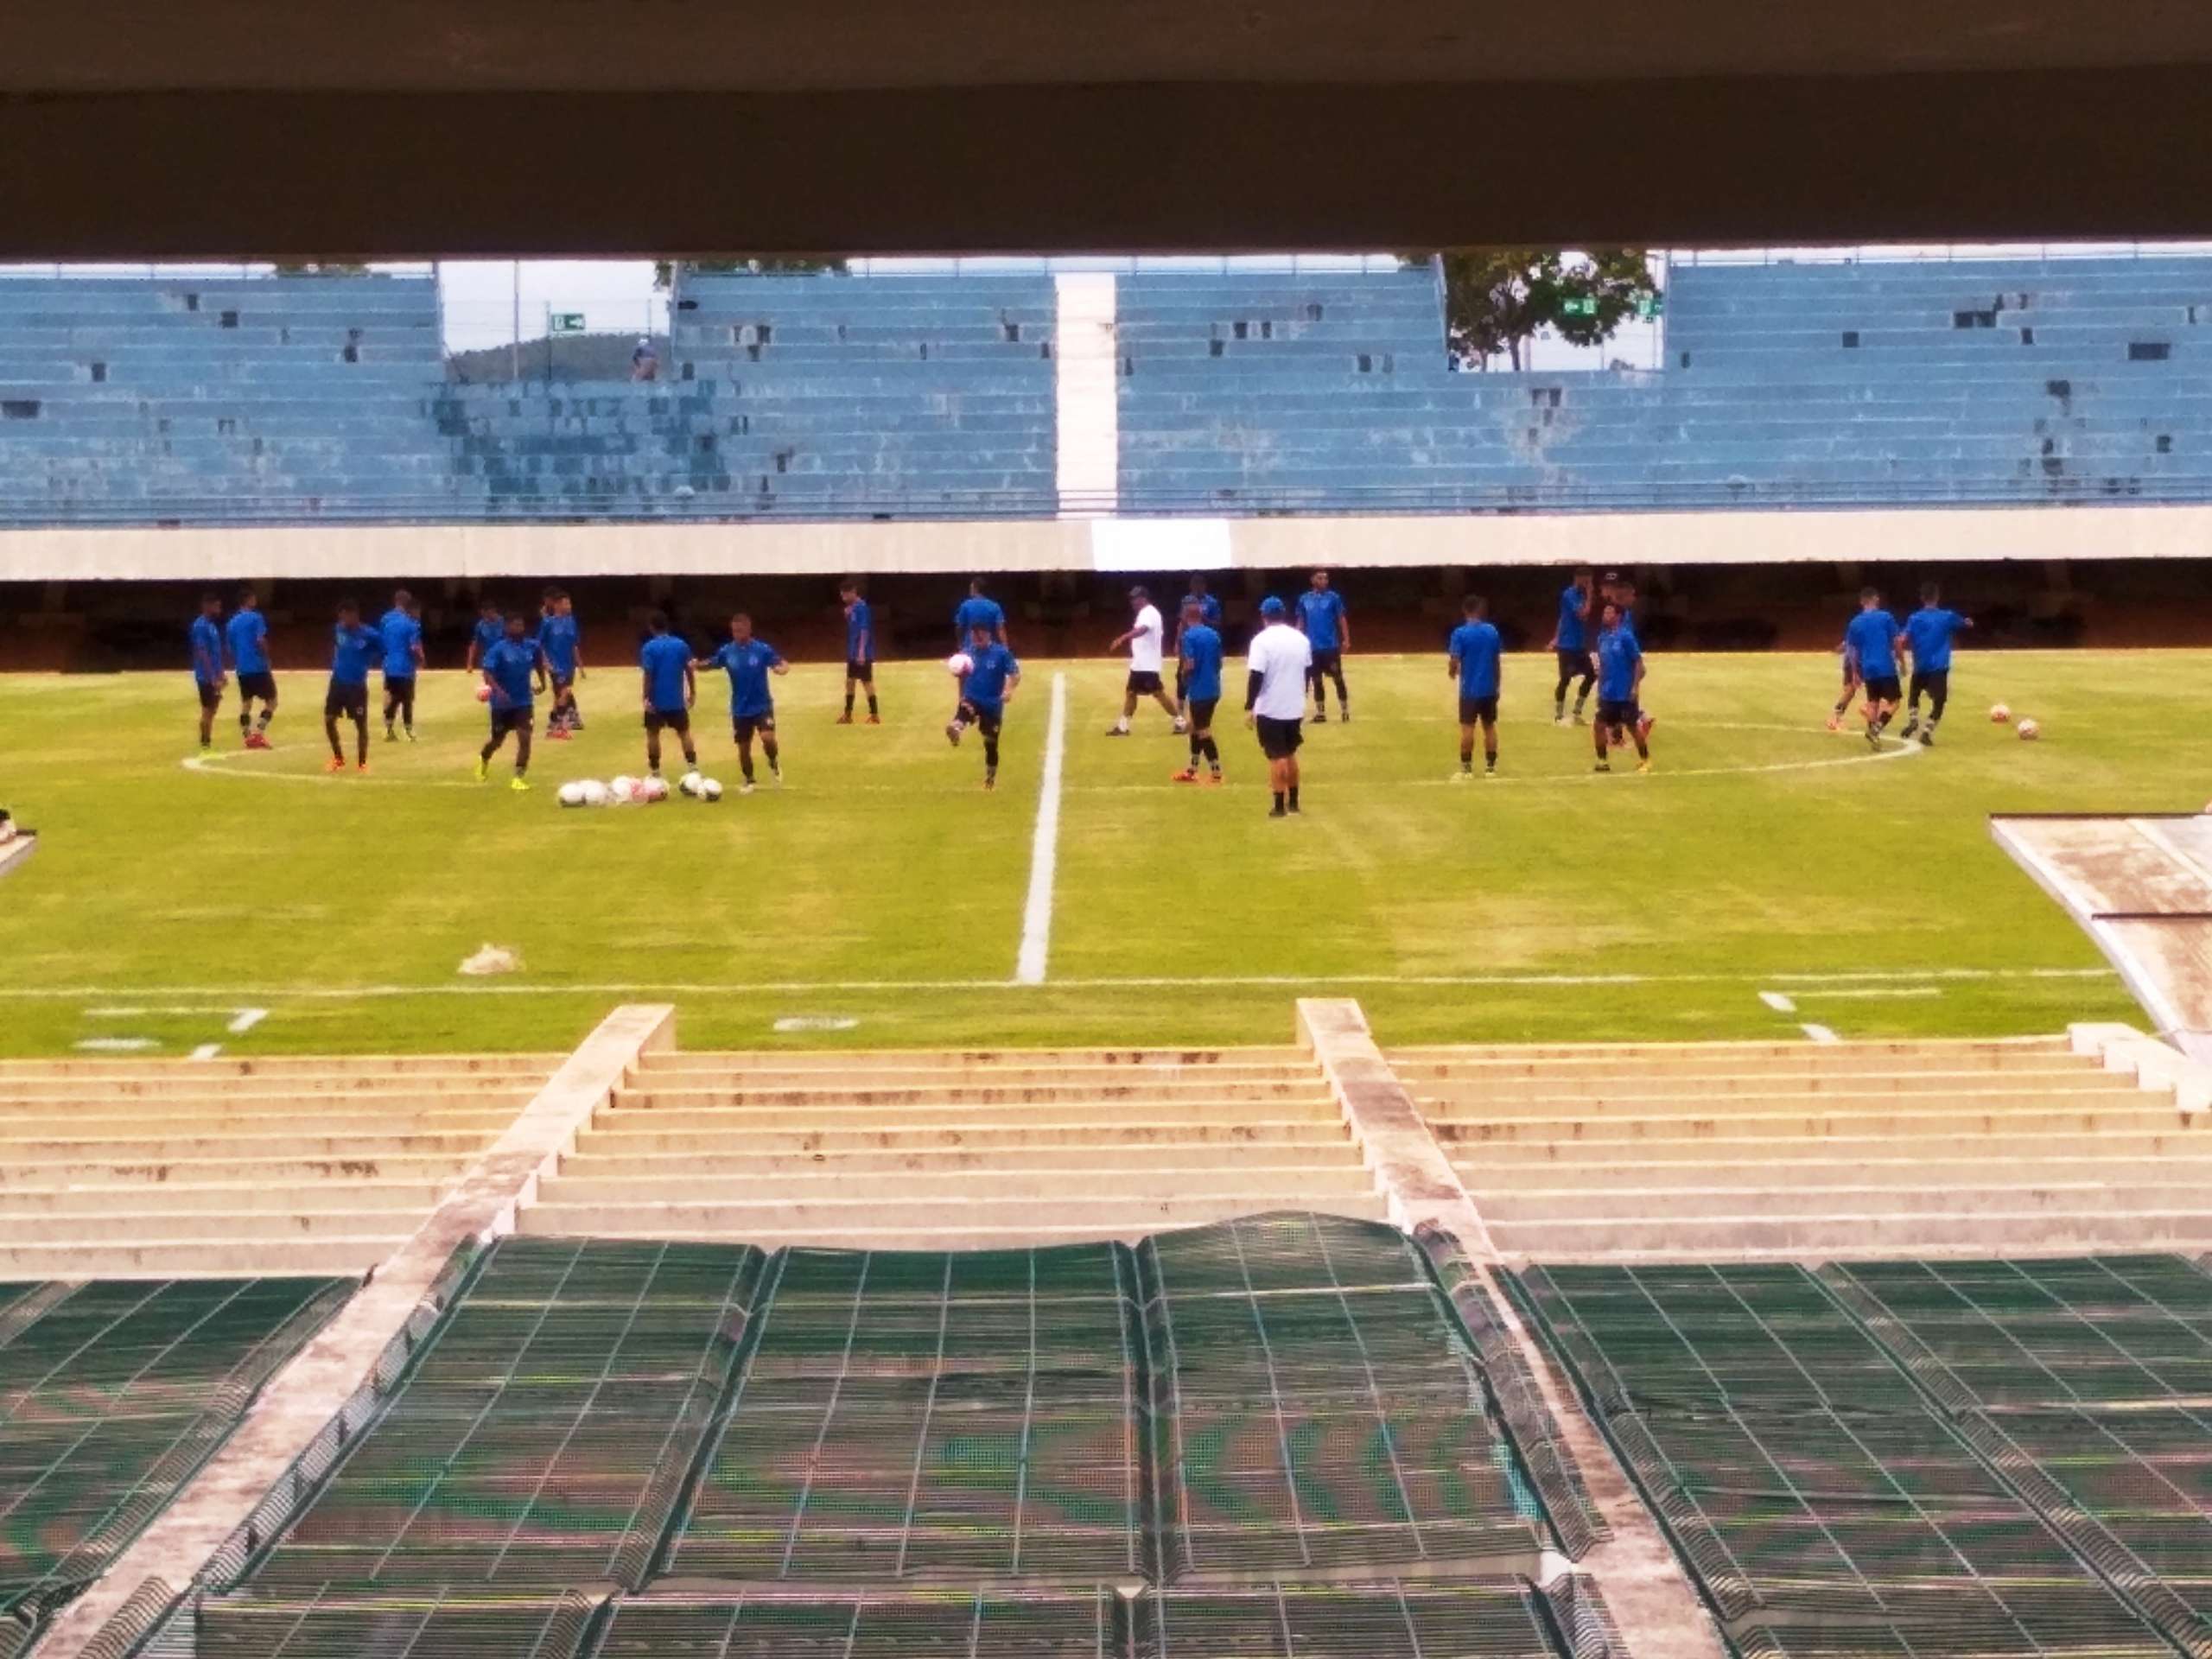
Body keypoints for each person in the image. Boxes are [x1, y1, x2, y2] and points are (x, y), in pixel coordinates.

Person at [701, 613, 789, 793]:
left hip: (762, 704)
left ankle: (773, 761)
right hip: (740, 708)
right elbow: (713, 663)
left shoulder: (762, 649)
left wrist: (782, 668)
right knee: (743, 748)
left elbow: (780, 663)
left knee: (767, 737)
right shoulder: (727, 651)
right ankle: (749, 779)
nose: (737, 634)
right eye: (734, 631)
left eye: (740, 630)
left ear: (749, 629)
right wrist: (697, 665)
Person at [1245, 595, 1313, 817]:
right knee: (1291, 753)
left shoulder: (1261, 641)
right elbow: (1307, 672)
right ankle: (1294, 802)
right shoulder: (1301, 639)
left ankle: (1279, 805)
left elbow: (1256, 675)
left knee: (1276, 756)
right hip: (1294, 705)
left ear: (1264, 616)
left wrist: (1249, 706)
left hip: (1271, 706)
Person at [475, 613, 548, 791]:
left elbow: (539, 661)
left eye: (521, 625)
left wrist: (543, 682)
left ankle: (518, 778)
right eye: (515, 625)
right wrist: (499, 691)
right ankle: (484, 759)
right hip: (502, 705)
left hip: (524, 702)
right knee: (497, 741)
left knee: (525, 738)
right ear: (506, 628)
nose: (519, 629)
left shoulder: (531, 646)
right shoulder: (498, 649)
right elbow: (487, 672)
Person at [946, 622, 1020, 791]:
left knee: (990, 743)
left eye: (981, 635)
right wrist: (961, 692)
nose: (977, 638)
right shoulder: (968, 653)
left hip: (993, 704)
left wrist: (1008, 690)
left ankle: (990, 778)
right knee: (964, 712)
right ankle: (956, 728)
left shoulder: (1001, 653)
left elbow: (1015, 674)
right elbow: (961, 674)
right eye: (974, 635)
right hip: (972, 698)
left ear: (988, 635)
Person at [1900, 582, 1974, 747]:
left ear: (1922, 598)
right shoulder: (1947, 616)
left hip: (1920, 666)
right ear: (1937, 597)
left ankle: (1913, 719)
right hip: (1939, 667)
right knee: (1939, 701)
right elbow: (1964, 623)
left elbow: (1903, 638)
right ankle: (1926, 732)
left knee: (1914, 694)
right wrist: (1968, 622)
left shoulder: (1914, 618)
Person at [1107, 585, 1185, 736]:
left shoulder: (1147, 613)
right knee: (1132, 692)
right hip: (1142, 664)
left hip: (1146, 664)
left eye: (1135, 599)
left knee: (1157, 693)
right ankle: (1123, 726)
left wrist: (1124, 637)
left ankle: (1180, 722)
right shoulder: (1150, 612)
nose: (1132, 602)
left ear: (1143, 598)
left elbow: (1143, 629)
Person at [1843, 587, 1907, 749]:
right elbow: (1897, 641)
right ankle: (1876, 730)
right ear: (1876, 599)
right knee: (1895, 702)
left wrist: (1856, 672)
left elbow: (1852, 650)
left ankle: (1874, 739)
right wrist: (1902, 662)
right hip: (1885, 665)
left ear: (1861, 602)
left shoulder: (1855, 622)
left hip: (1868, 667)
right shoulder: (1885, 617)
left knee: (1873, 702)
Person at [1448, 594, 1503, 780]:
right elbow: (1496, 662)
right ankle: (1490, 767)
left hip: (1469, 690)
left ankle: (1467, 768)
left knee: (1468, 728)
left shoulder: (1460, 633)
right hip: (1489, 688)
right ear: (1480, 610)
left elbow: (1454, 660)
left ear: (1465, 611)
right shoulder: (1492, 631)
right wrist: (1497, 685)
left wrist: (1452, 671)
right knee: (1489, 727)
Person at [1592, 601, 1651, 774]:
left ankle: (1645, 759)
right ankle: (1602, 761)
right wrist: (1600, 688)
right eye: (1605, 613)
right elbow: (1603, 665)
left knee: (1632, 726)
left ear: (1618, 616)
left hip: (1624, 693)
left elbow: (1638, 663)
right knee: (1598, 725)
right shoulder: (1602, 637)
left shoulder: (1626, 636)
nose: (1605, 616)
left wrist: (1634, 687)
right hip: (1608, 693)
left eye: (1609, 613)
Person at [1172, 597, 1225, 785]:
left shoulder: (1189, 637)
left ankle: (1216, 771)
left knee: (1202, 730)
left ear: (1186, 617)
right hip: (1213, 688)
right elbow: (1219, 663)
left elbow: (1190, 663)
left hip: (1199, 690)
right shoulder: (1213, 635)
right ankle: (1193, 769)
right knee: (1194, 728)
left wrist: (1184, 676)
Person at [323, 600, 381, 773]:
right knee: (329, 719)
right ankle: (338, 758)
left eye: (345, 616)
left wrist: (368, 661)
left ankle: (362, 763)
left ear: (354, 615)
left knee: (360, 725)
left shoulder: (370, 634)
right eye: (340, 617)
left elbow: (382, 650)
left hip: (356, 686)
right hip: (338, 683)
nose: (343, 620)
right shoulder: (338, 629)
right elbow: (337, 646)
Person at [639, 612, 698, 779]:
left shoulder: (649, 648)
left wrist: (646, 697)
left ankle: (655, 770)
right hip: (676, 700)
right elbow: (689, 670)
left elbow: (648, 674)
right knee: (684, 733)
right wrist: (692, 692)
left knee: (652, 734)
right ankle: (693, 767)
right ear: (667, 626)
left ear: (651, 627)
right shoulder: (681, 645)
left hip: (657, 700)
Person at [226, 587, 276, 749]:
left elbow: (230, 648)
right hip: (258, 666)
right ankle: (258, 734)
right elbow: (260, 640)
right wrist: (266, 657)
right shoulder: (256, 618)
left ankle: (247, 736)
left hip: (242, 668)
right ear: (249, 600)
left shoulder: (231, 623)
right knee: (272, 701)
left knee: (246, 703)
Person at [1296, 569, 1350, 721]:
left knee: (1338, 678)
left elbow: (1341, 619)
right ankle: (1321, 713)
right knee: (1316, 679)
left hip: (1330, 646)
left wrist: (1346, 639)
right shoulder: (1304, 599)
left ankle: (1344, 710)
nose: (1324, 581)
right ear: (1312, 579)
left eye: (1326, 578)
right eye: (1320, 578)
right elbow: (1301, 621)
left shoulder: (1334, 598)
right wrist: (1297, 639)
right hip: (1312, 648)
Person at [1548, 569, 1596, 725]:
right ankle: (1559, 715)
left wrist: (1555, 636)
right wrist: (1590, 595)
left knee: (1591, 675)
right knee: (1565, 679)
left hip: (1579, 644)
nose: (1588, 584)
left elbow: (1563, 617)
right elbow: (1583, 614)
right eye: (1586, 580)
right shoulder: (1569, 594)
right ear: (1578, 578)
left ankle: (1577, 712)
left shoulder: (1581, 594)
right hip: (1568, 645)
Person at [378, 589, 424, 742]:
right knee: (406, 699)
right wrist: (421, 659)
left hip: (389, 665)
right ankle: (408, 730)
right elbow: (414, 647)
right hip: (405, 667)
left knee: (392, 696)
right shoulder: (412, 624)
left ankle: (388, 728)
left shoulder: (386, 619)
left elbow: (382, 643)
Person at [1173, 575, 1224, 716]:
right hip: (1188, 641)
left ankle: (1202, 709)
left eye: (1198, 585)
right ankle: (1181, 713)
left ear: (1204, 586)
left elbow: (1217, 623)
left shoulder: (1211, 602)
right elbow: (1182, 622)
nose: (1196, 588)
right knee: (1181, 675)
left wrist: (1200, 618)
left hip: (1205, 641)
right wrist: (1177, 642)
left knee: (1204, 671)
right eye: (1193, 586)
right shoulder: (1187, 600)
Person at [537, 588, 583, 737]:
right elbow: (540, 644)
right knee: (564, 693)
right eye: (566, 603)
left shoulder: (571, 621)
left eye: (569, 603)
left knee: (560, 695)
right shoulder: (548, 623)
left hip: (569, 665)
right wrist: (545, 662)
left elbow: (574, 644)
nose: (569, 606)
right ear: (557, 605)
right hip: (555, 665)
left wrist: (580, 665)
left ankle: (554, 723)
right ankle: (561, 726)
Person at [837, 577, 879, 724]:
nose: (843, 598)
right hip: (852, 651)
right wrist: (847, 616)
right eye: (842, 595)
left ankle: (874, 715)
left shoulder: (862, 608)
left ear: (853, 592)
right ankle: (848, 714)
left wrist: (861, 651)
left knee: (867, 682)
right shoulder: (853, 609)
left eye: (845, 595)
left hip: (862, 652)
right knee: (850, 681)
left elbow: (864, 630)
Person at [189, 594, 226, 752]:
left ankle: (207, 744)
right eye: (216, 605)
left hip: (214, 675)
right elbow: (202, 652)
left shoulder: (211, 626)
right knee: (207, 710)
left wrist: (221, 674)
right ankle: (205, 746)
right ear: (207, 605)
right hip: (206, 677)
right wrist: (212, 677)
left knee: (212, 709)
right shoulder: (200, 626)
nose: (219, 608)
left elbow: (215, 652)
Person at [1826, 631, 1863, 734]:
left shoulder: (1857, 628)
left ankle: (1836, 718)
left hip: (1850, 662)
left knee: (1849, 691)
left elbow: (1845, 645)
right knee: (1850, 691)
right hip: (1854, 662)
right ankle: (1834, 718)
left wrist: (1840, 648)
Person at [464, 598, 504, 676]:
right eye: (483, 614)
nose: (484, 616)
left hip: (503, 657)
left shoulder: (504, 622)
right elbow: (474, 645)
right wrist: (469, 663)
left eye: (486, 613)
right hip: (488, 658)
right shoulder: (480, 625)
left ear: (493, 610)